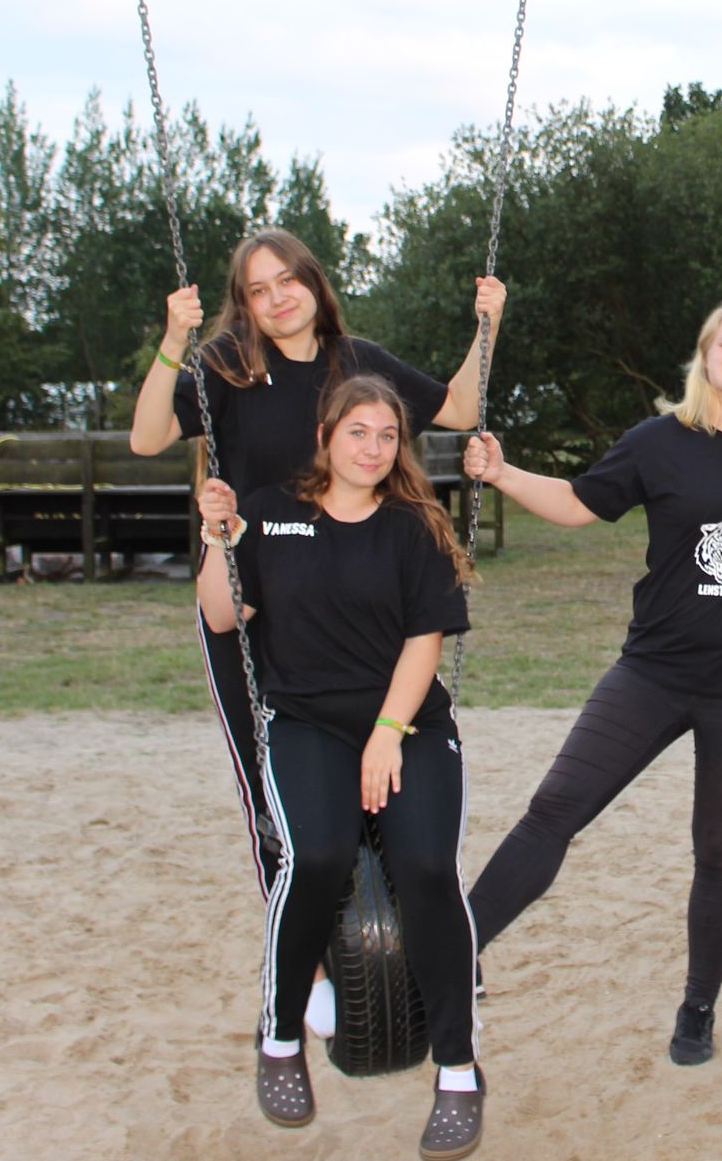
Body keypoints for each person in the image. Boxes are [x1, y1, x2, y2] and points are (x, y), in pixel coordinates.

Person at [458, 296, 722, 1067]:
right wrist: (502, 472)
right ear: (705, 356)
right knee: (555, 808)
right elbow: (577, 504)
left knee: (720, 852)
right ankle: (455, 949)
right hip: (655, 674)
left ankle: (698, 1008)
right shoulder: (659, 443)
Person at [129, 228, 503, 904]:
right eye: (258, 290)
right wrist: (172, 343)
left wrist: (488, 324)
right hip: (254, 594)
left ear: (313, 280)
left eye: (288, 280)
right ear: (243, 304)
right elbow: (147, 437)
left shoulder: (355, 360)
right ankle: (299, 931)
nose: (278, 298)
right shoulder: (228, 365)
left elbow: (460, 408)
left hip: (355, 588)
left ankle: (391, 922)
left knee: (381, 753)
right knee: (269, 781)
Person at [194, 374, 486, 1154]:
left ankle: (459, 1071)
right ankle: (281, 1038)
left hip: (407, 722)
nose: (373, 448)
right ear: (325, 436)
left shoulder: (414, 525)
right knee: (316, 857)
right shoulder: (270, 512)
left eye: (387, 435)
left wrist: (389, 732)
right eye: (358, 432)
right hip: (308, 723)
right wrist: (216, 537)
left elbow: (425, 640)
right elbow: (223, 615)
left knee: (427, 869)